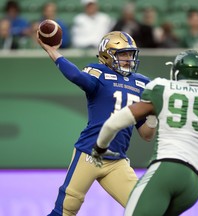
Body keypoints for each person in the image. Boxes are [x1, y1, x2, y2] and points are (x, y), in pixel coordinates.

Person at [92, 50, 198, 215]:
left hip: (167, 169)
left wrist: (99, 148)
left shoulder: (164, 89)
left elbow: (113, 123)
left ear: (176, 72)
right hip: (194, 183)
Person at [37, 31, 157, 215]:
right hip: (90, 153)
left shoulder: (142, 83)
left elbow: (146, 134)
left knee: (144, 209)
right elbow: (77, 77)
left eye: (130, 54)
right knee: (66, 209)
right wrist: (53, 52)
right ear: (107, 55)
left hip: (117, 160)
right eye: (122, 53)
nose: (128, 59)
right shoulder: (99, 72)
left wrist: (154, 113)